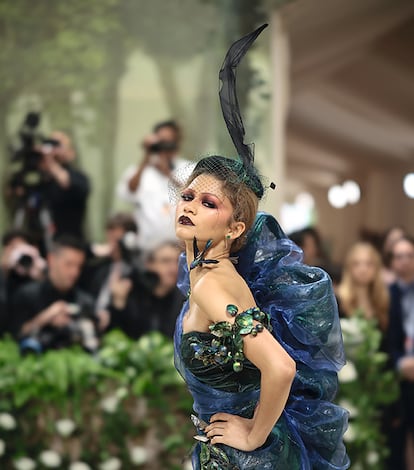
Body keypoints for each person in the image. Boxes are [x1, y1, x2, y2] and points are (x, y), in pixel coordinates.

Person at [173, 25, 348, 469]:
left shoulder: (213, 285)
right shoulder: (216, 275)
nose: (190, 205)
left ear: (234, 230)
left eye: (207, 202)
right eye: (188, 196)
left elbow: (281, 367)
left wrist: (252, 435)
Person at [10, 235, 102, 353]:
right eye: (69, 264)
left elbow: (95, 344)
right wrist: (44, 318)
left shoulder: (85, 301)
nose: (74, 272)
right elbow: (13, 337)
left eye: (79, 266)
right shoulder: (26, 295)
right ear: (51, 259)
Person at [116, 120, 190, 251]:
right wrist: (146, 157)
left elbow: (191, 193)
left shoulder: (188, 168)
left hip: (181, 248)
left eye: (168, 141)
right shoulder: (141, 170)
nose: (164, 146)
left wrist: (167, 172)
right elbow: (129, 191)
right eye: (160, 141)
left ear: (176, 143)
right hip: (148, 248)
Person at [388, 236, 414, 469]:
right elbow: (387, 339)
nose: (404, 261)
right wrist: (399, 364)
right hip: (399, 376)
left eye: (409, 255)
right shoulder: (387, 294)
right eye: (399, 256)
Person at [41, 130, 90, 240]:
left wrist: (50, 162)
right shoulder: (40, 178)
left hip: (68, 239)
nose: (53, 149)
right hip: (39, 241)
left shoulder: (78, 177)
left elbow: (66, 183)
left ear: (71, 152)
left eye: (57, 144)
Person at [337, 242, 389, 332]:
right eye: (356, 264)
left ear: (377, 268)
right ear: (349, 268)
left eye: (369, 264)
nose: (363, 269)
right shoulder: (339, 300)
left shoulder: (383, 299)